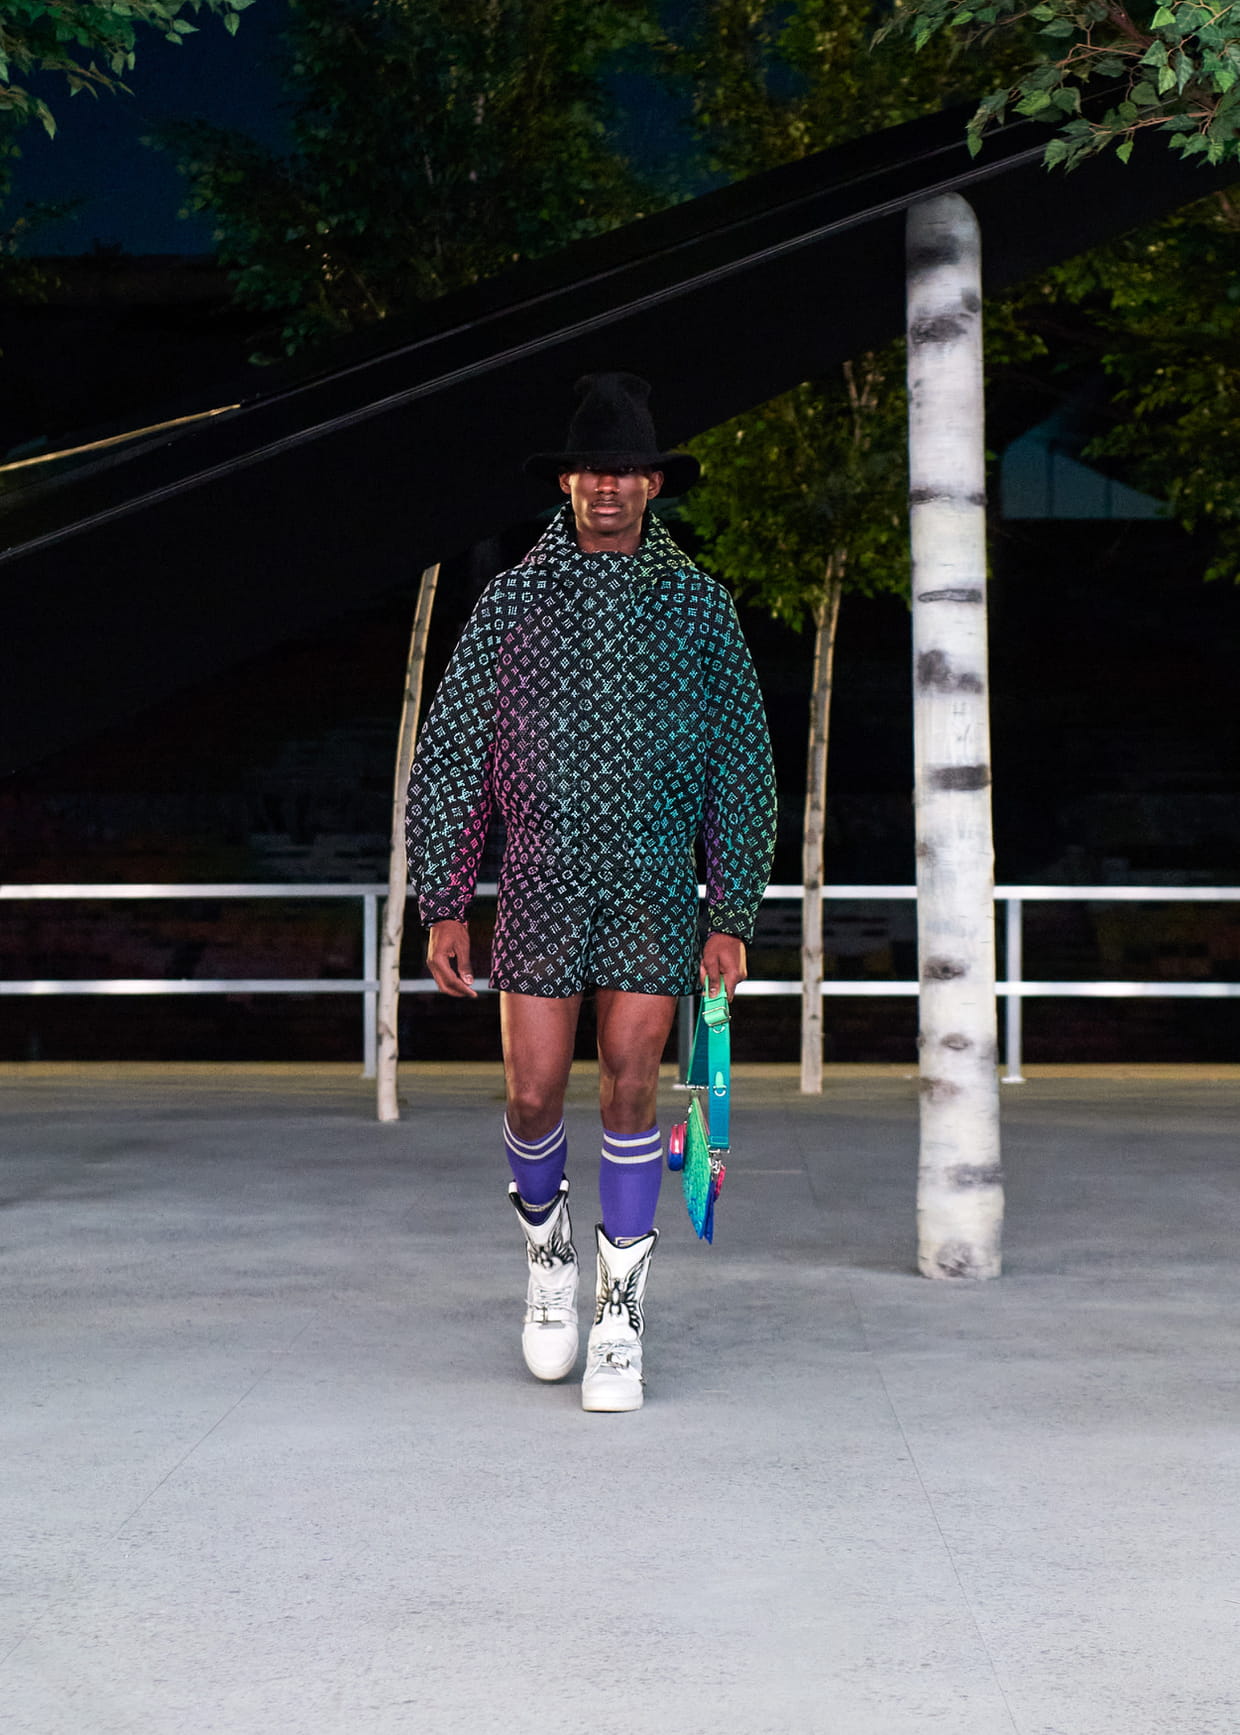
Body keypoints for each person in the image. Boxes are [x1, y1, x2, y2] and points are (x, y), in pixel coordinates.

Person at [405, 372, 776, 1412]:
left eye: (626, 471)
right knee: (531, 1095)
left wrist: (730, 913)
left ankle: (619, 1316)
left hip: (654, 887)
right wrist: (444, 899)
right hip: (539, 881)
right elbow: (453, 753)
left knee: (630, 1085)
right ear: (565, 482)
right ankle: (546, 1257)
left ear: (653, 484)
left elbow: (742, 763)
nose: (607, 486)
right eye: (590, 470)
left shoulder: (699, 607)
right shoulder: (514, 601)